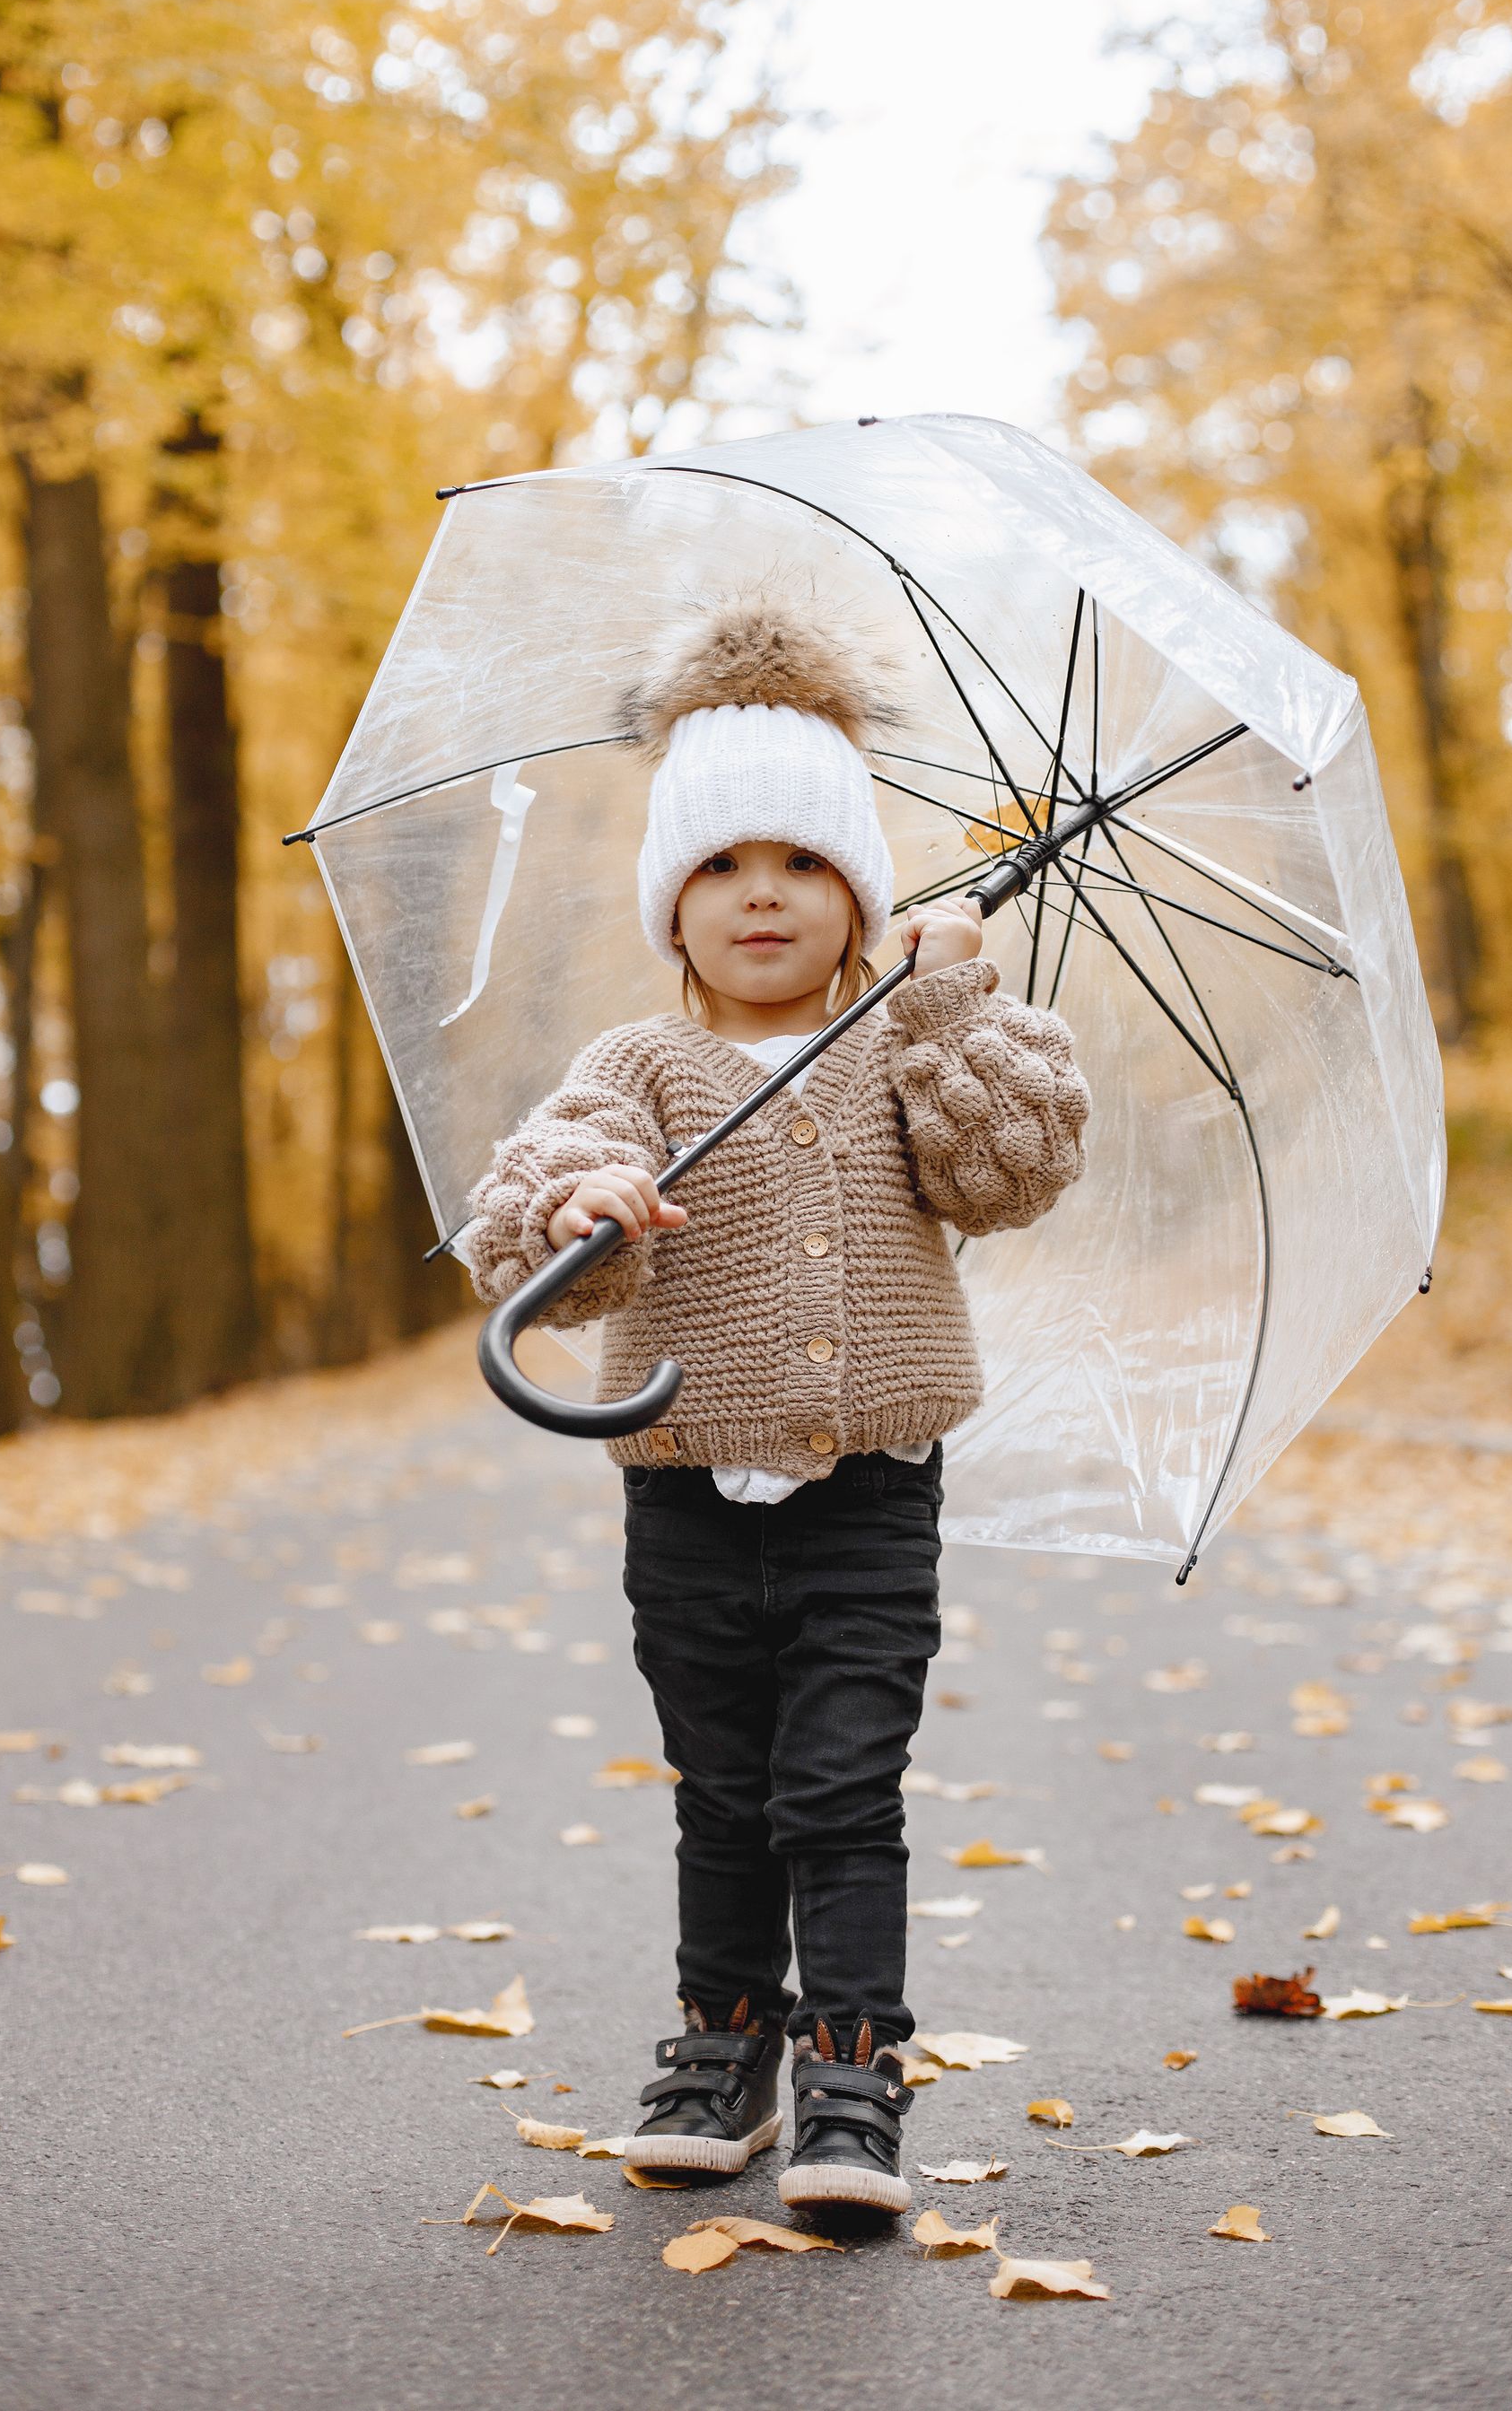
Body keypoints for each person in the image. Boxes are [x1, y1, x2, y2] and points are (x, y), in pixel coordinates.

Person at [466, 583, 1089, 2218]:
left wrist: (946, 1001)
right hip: (682, 1491)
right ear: (671, 907)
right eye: (724, 865)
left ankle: (854, 2070)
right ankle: (724, 2045)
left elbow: (1012, 1170)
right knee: (726, 1792)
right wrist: (581, 1203)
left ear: (862, 898)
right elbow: (535, 1198)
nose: (764, 893)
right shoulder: (636, 1070)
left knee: (841, 1790)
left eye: (805, 862)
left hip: (871, 1495)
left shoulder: (907, 1047)